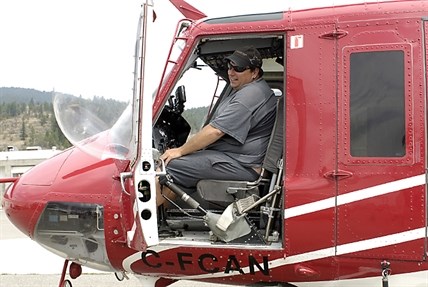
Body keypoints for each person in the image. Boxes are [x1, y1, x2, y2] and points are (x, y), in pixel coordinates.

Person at [157, 46, 277, 206]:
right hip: (234, 160)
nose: (231, 72)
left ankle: (141, 223)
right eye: (230, 67)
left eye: (239, 68)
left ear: (254, 72)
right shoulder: (246, 90)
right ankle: (161, 222)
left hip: (243, 166)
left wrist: (179, 151)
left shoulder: (251, 94)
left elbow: (215, 131)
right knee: (176, 166)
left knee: (167, 166)